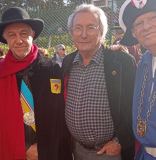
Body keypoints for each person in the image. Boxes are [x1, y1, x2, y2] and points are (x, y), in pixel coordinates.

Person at [0, 7, 72, 160]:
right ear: (5, 37)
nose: (18, 40)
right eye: (12, 35)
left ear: (32, 35)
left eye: (24, 33)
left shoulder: (52, 70)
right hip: (14, 152)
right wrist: (24, 147)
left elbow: (61, 117)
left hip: (53, 151)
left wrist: (44, 149)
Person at [62, 3, 136, 160]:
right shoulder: (67, 63)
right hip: (75, 150)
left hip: (109, 152)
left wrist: (119, 141)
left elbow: (133, 106)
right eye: (78, 28)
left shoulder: (121, 62)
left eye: (91, 27)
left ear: (102, 31)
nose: (83, 34)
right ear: (71, 32)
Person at [119, 0, 156, 159]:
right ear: (134, 33)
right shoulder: (143, 62)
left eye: (153, 18)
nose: (146, 27)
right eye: (138, 23)